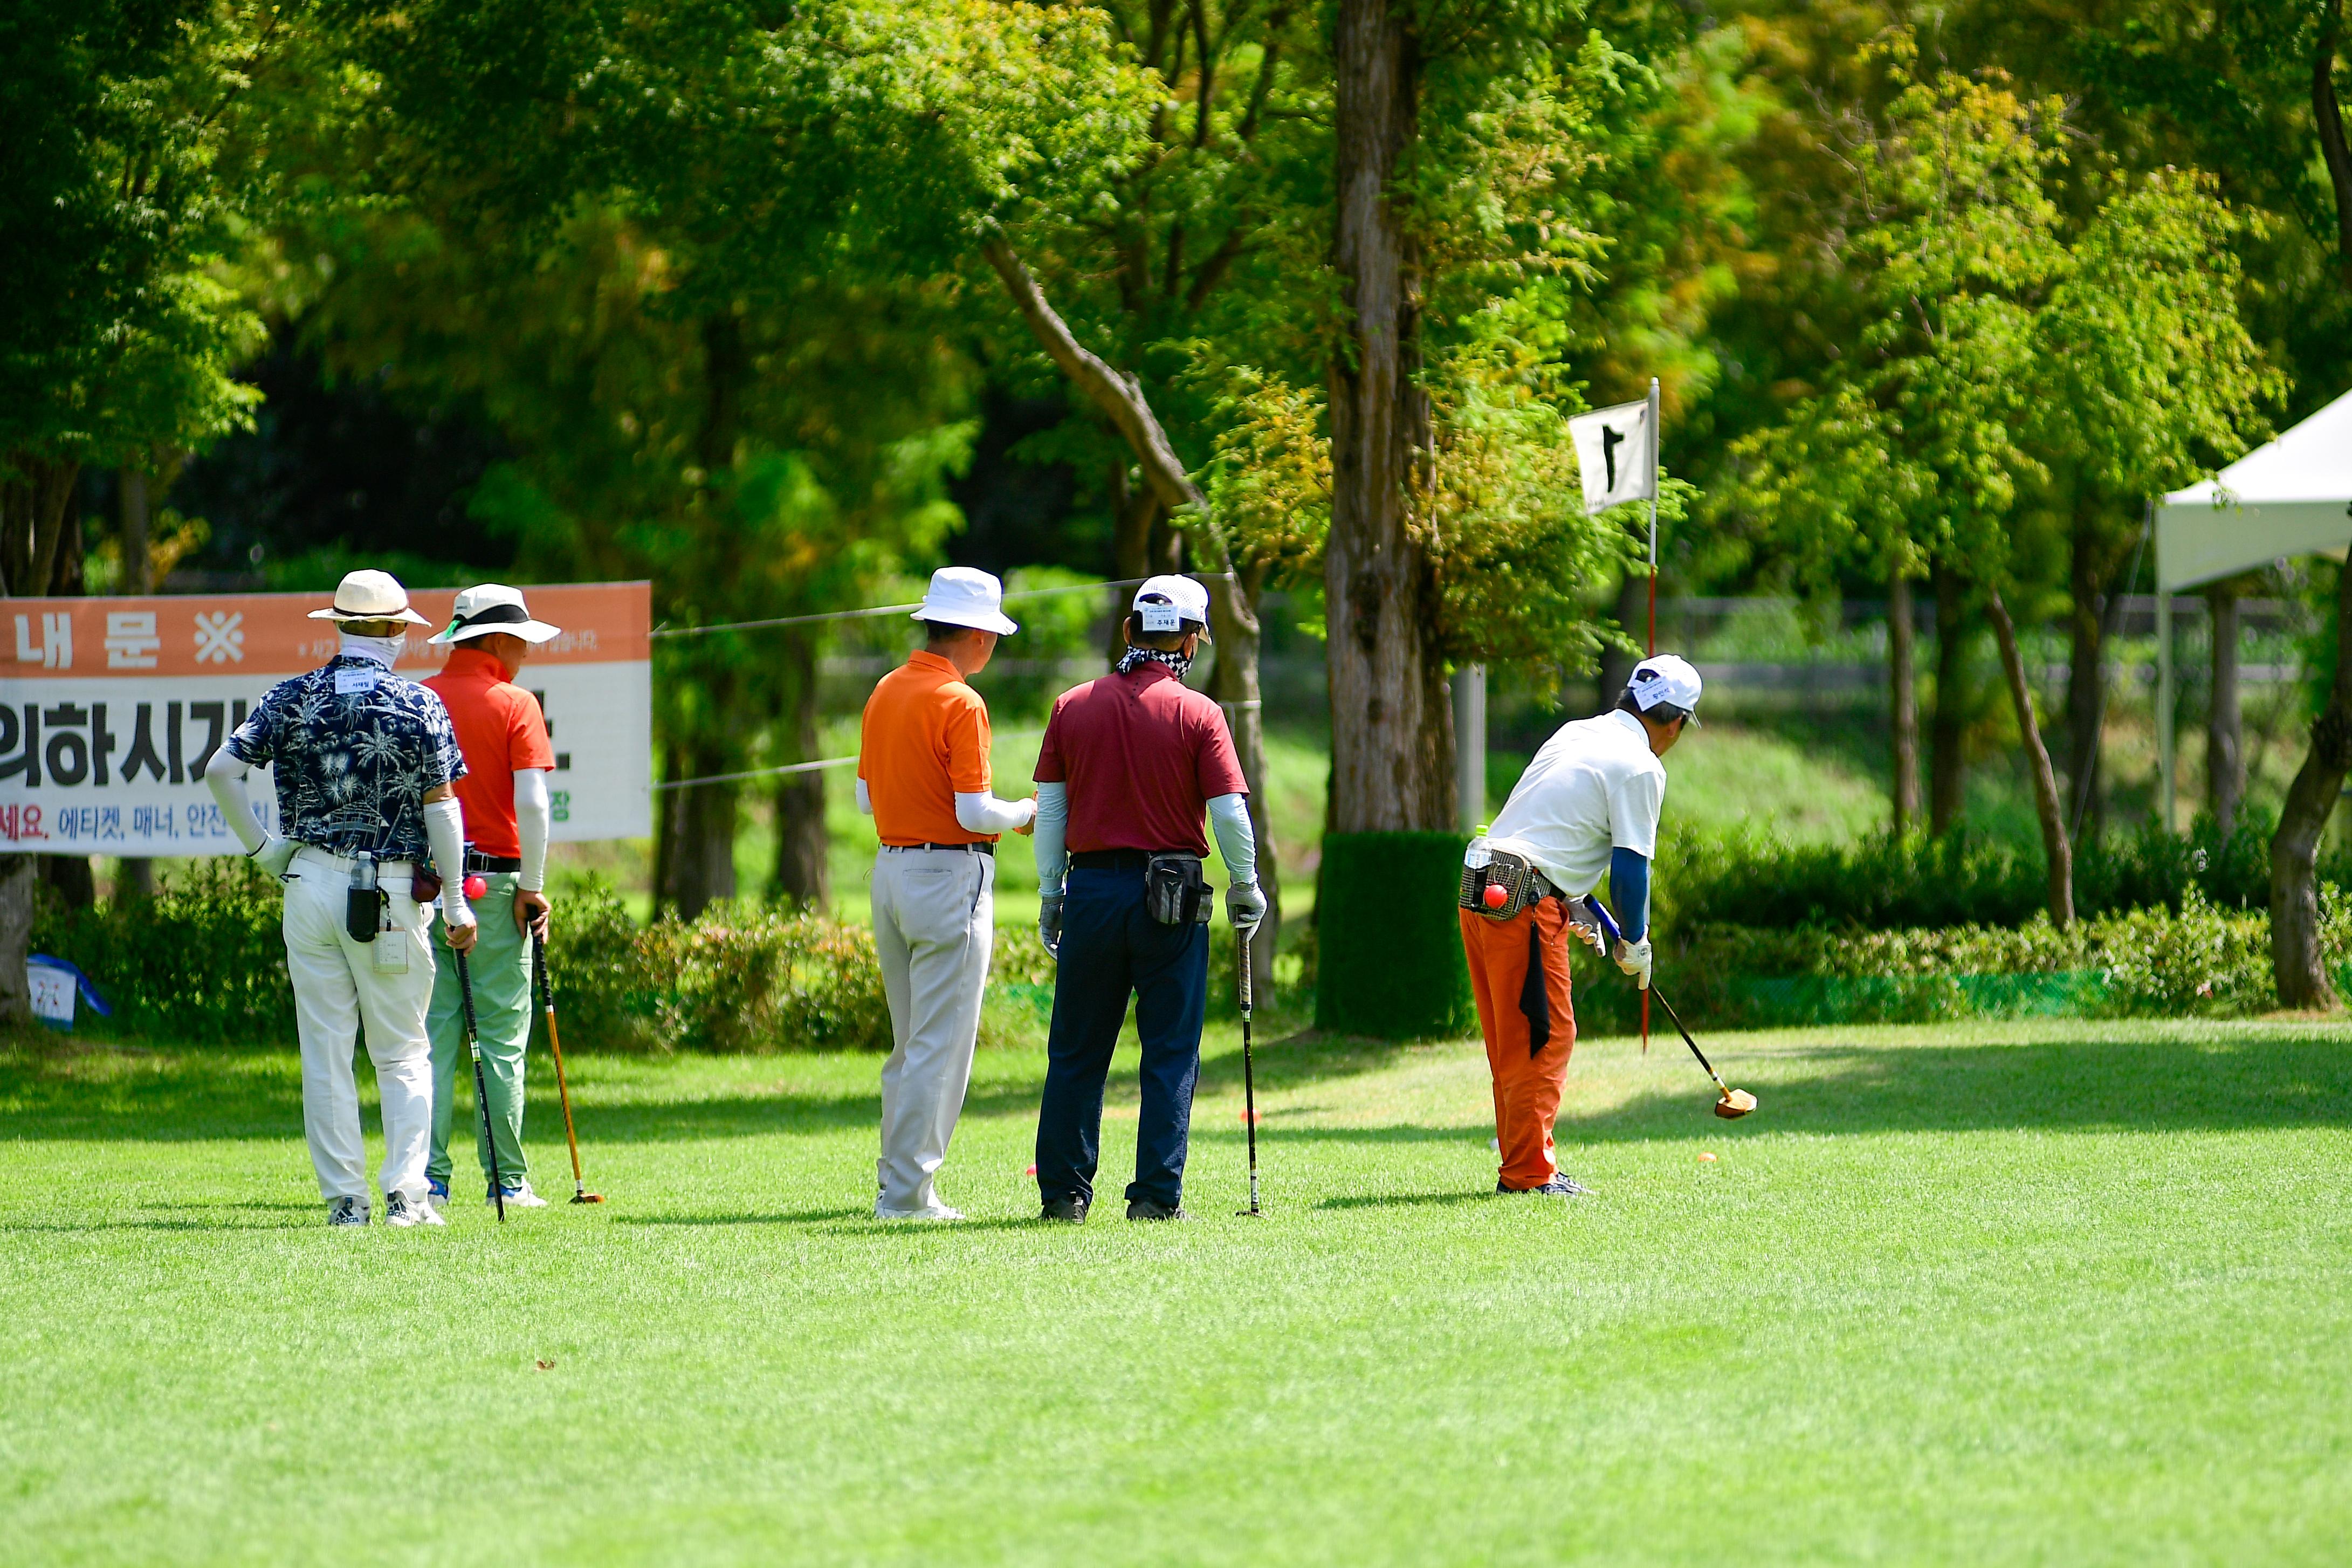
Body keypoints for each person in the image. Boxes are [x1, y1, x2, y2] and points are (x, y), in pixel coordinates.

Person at [204, 569, 477, 1228]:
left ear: (339, 626)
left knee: (325, 1049)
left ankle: (346, 1204)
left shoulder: (291, 697)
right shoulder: (419, 706)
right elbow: (442, 810)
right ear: (390, 629)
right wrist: (456, 905)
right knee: (403, 1049)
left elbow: (221, 770)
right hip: (385, 891)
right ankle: (408, 1199)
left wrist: (265, 850)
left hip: (309, 885)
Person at [1029, 575, 1264, 1223]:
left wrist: (1053, 892)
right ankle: (1156, 1198)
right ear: (1192, 641)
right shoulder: (1201, 714)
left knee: (1076, 1049)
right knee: (1168, 1051)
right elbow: (1231, 816)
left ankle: (1065, 1196)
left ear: (1129, 632)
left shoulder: (1071, 705)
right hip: (1172, 895)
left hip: (1094, 892)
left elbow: (1051, 811)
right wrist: (1246, 885)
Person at [1459, 654, 1702, 1199]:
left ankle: (1527, 1162)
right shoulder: (1642, 766)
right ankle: (1528, 1174)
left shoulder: (1577, 732)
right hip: (1522, 893)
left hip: (1482, 880)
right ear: (1675, 722)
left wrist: (1575, 903)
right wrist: (1635, 942)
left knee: (1513, 1037)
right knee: (1546, 1036)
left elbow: (1549, 828)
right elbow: (1632, 865)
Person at [855, 567, 1038, 1220]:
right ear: (981, 637)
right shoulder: (962, 702)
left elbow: (863, 796)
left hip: (890, 873)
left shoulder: (885, 690)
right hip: (949, 877)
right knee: (940, 1045)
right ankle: (906, 1194)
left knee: (910, 1044)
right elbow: (972, 810)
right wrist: (1021, 811)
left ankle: (898, 1184)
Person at [421, 585, 562, 1213]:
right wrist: (532, 884)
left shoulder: (419, 696)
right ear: (499, 641)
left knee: (429, 1037)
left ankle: (426, 1178)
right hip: (500, 886)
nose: (528, 651)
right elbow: (532, 802)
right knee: (502, 1038)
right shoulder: (515, 703)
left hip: (423, 885)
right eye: (523, 640)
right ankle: (507, 1178)